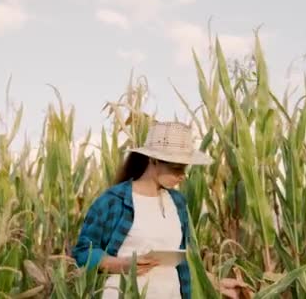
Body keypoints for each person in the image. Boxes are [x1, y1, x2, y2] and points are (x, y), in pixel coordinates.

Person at [71, 121, 249, 299]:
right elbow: (83, 252)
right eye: (176, 167)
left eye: (185, 167)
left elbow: (180, 265)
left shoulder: (178, 203)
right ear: (153, 160)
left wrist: (216, 283)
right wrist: (122, 264)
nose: (182, 175)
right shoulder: (113, 201)